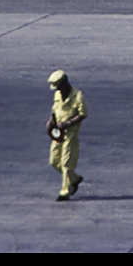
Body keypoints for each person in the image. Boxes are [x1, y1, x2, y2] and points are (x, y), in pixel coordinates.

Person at [46, 69, 87, 201]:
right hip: (58, 133)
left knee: (66, 163)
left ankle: (65, 191)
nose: (57, 89)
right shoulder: (58, 95)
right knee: (53, 161)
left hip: (71, 134)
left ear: (64, 83)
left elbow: (83, 114)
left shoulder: (77, 95)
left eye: (58, 86)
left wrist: (68, 123)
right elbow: (55, 110)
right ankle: (74, 179)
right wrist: (50, 122)